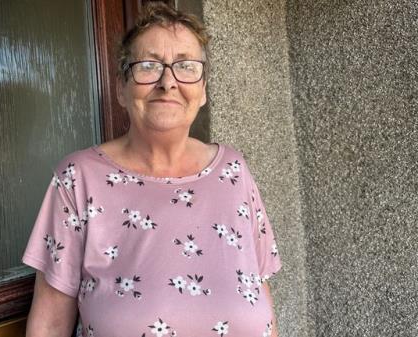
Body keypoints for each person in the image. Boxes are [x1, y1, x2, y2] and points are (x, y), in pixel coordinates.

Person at [22, 3, 281, 336]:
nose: (167, 82)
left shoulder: (234, 172)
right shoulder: (78, 179)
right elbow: (49, 325)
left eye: (186, 66)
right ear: (121, 87)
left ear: (202, 90)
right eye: (148, 66)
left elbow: (264, 306)